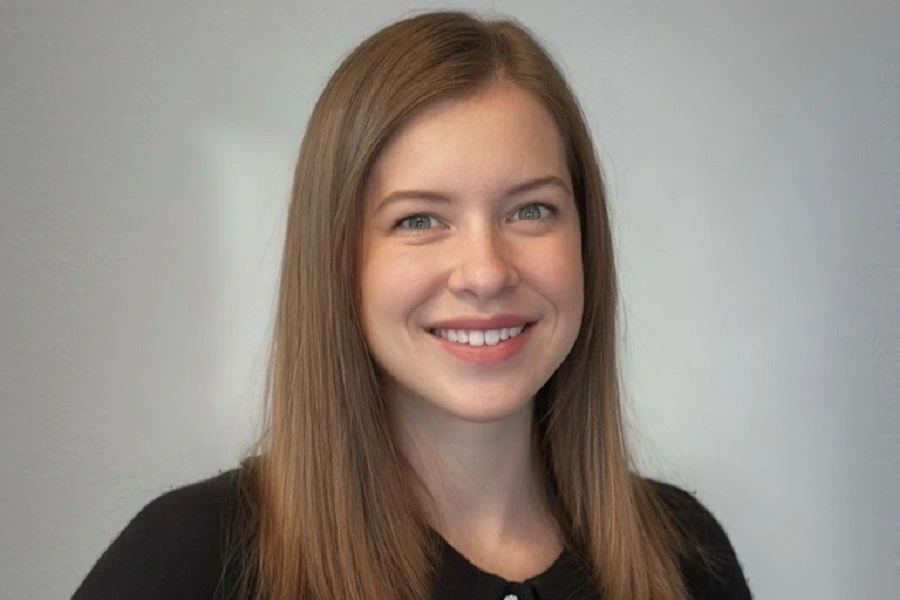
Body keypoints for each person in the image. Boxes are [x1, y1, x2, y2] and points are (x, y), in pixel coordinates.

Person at [73, 11, 751, 600]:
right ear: (337, 261)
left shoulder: (686, 556)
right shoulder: (193, 560)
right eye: (419, 220)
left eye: (531, 210)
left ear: (587, 240)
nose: (486, 272)